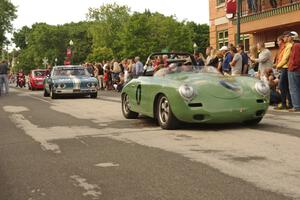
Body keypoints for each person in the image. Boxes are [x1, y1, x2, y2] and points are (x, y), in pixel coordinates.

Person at [275, 33, 293, 109]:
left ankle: (284, 104)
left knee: (282, 86)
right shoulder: (286, 46)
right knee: (286, 87)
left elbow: (285, 58)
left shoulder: (289, 46)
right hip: (284, 67)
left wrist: (277, 66)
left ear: (289, 37)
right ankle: (288, 104)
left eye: (285, 37)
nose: (284, 38)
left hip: (285, 67)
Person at [287, 31, 300, 112]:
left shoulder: (295, 46)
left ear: (292, 37)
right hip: (297, 69)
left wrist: (291, 67)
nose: (287, 38)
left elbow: (295, 59)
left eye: (288, 36)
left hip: (294, 70)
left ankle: (296, 106)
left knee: (294, 88)